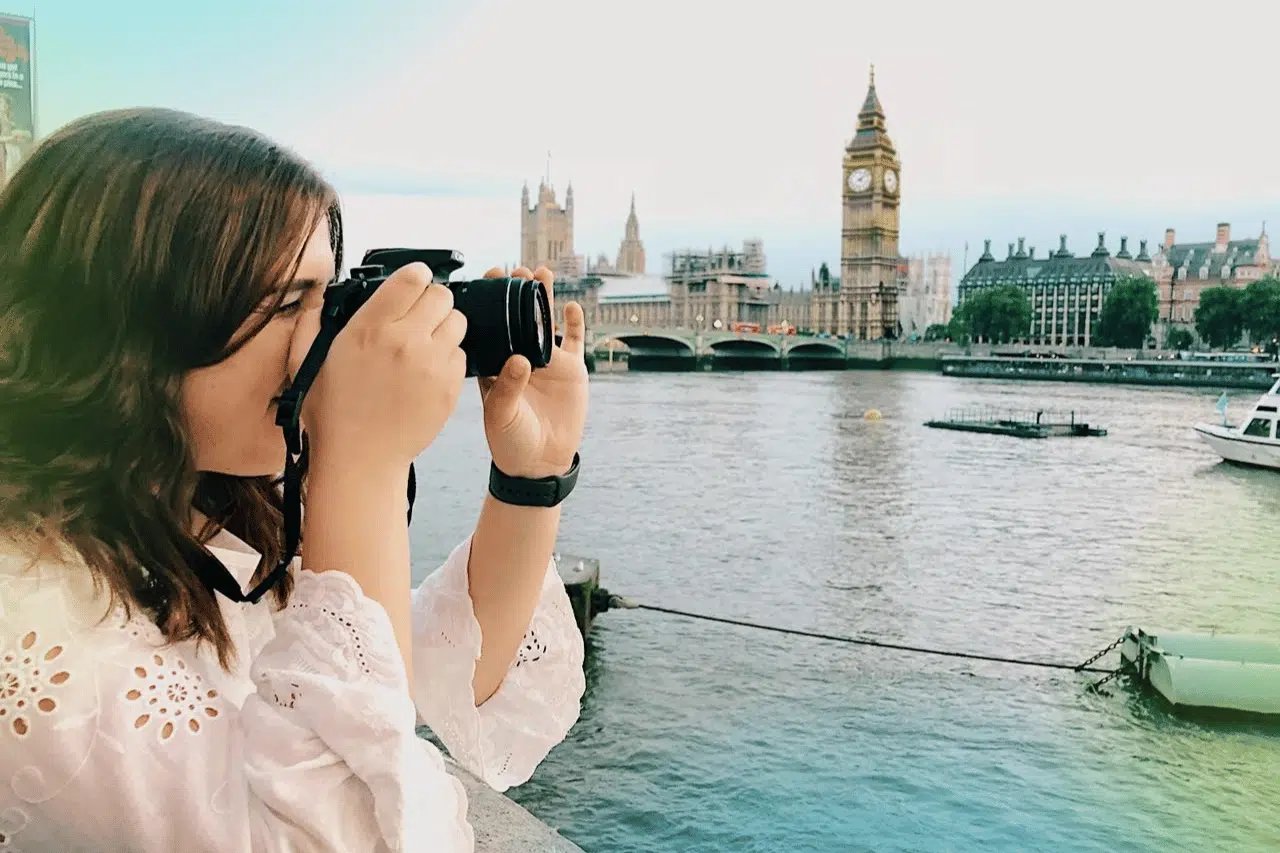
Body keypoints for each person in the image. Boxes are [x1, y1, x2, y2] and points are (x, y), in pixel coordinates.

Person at [0, 108, 589, 851]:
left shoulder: (197, 516)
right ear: (125, 337)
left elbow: (432, 672)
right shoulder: (29, 627)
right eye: (287, 303)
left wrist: (530, 475)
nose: (324, 337)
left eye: (328, 295)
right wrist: (363, 467)